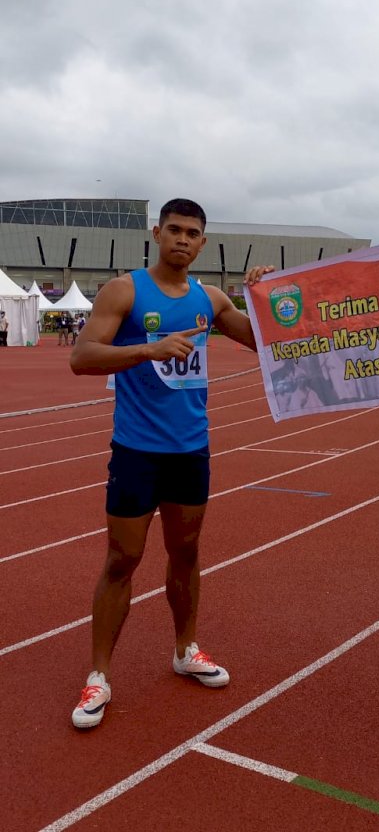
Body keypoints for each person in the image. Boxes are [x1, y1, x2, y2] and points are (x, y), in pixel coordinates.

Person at [68, 198, 273, 729]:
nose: (183, 239)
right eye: (175, 230)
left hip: (190, 449)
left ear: (203, 243)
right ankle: (98, 676)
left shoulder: (210, 298)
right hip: (136, 450)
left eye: (193, 233)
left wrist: (266, 296)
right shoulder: (126, 290)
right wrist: (147, 350)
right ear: (157, 233)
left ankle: (186, 650)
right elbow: (82, 356)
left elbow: (263, 342)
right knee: (122, 560)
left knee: (185, 553)